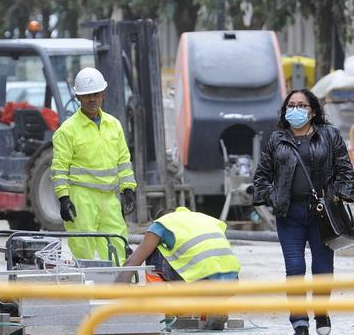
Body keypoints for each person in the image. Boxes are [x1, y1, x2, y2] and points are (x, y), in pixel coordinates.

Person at [252, 89, 354, 335]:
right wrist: (272, 197)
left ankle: (321, 312)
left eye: (301, 105)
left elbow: (344, 168)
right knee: (294, 269)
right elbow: (262, 176)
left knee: (322, 269)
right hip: (289, 214)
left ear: (313, 110)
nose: (295, 109)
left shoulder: (329, 135)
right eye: (291, 105)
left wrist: (338, 195)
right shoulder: (277, 140)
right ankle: (299, 324)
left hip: (322, 214)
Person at [52, 67, 136, 265]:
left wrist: (128, 189)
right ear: (78, 98)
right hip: (82, 198)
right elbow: (59, 167)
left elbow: (123, 161)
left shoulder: (114, 125)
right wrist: (64, 198)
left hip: (110, 198)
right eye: (87, 95)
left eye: (96, 94)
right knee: (83, 247)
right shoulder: (68, 130)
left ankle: (118, 288)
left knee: (117, 242)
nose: (92, 99)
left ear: (103, 95)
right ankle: (84, 289)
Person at [120, 207, 240, 283]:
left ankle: (161, 304)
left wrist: (112, 294)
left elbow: (133, 262)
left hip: (200, 280)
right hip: (232, 280)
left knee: (152, 250)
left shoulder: (161, 224)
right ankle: (211, 309)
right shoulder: (207, 219)